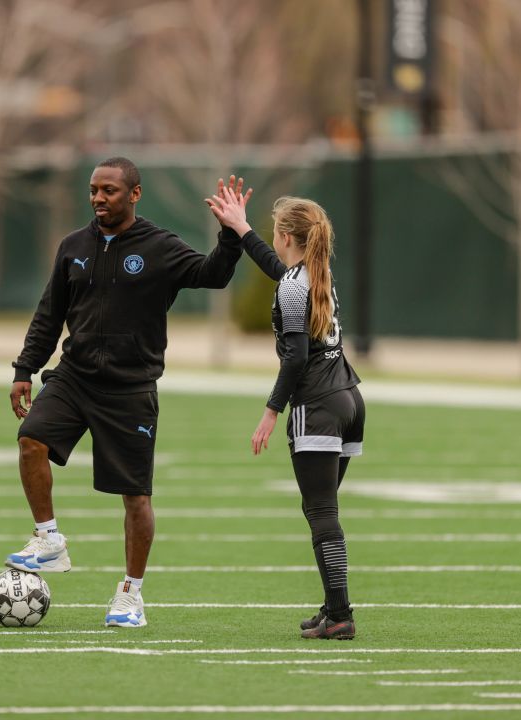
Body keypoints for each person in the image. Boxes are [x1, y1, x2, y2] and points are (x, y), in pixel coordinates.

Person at [7, 157, 243, 628]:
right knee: (32, 438)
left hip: (130, 389)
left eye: (109, 190)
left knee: (135, 498)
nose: (98, 198)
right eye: (94, 189)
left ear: (134, 194)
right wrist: (25, 369)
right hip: (73, 377)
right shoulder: (73, 246)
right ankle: (49, 539)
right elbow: (49, 314)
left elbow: (212, 275)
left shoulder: (160, 247)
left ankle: (130, 595)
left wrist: (231, 234)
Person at [204, 177, 365, 640]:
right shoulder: (315, 275)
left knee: (320, 511)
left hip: (316, 404)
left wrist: (271, 411)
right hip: (349, 398)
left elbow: (294, 358)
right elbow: (280, 269)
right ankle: (333, 605)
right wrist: (239, 228)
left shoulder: (294, 285)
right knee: (322, 508)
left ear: (287, 236)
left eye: (274, 229)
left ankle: (340, 614)